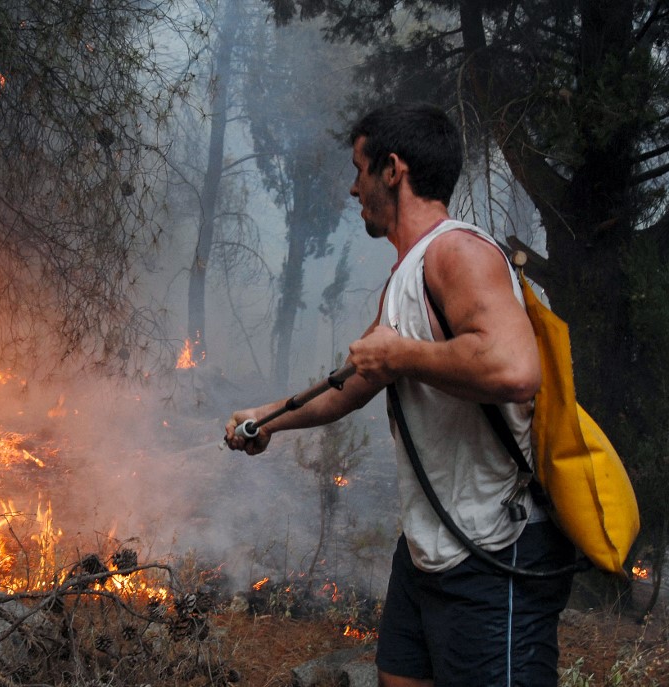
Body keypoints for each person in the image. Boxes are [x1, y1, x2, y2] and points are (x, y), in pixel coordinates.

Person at [224, 103, 575, 687]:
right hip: (428, 551)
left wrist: (400, 354)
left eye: (359, 168)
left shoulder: (457, 252)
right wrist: (270, 418)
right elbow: (352, 385)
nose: (351, 186)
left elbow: (516, 368)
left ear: (393, 169)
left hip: (496, 549)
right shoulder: (407, 277)